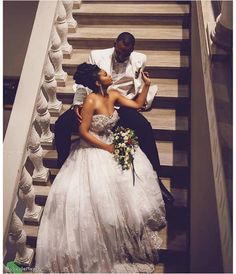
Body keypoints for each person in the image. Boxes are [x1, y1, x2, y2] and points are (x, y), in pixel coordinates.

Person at [35, 63, 166, 273]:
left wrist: (146, 85)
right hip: (93, 148)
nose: (108, 75)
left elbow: (138, 104)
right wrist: (107, 147)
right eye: (105, 74)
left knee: (130, 181)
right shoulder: (90, 100)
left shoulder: (113, 94)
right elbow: (84, 131)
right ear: (97, 81)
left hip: (110, 142)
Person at [54, 32, 174, 205]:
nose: (122, 56)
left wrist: (146, 86)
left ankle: (156, 179)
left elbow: (137, 92)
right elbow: (82, 84)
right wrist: (77, 105)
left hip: (119, 102)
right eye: (119, 51)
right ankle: (64, 167)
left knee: (144, 127)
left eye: (126, 53)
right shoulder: (97, 56)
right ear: (114, 44)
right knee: (61, 125)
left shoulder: (140, 59)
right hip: (93, 103)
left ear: (133, 50)